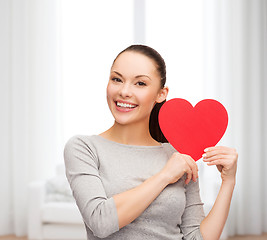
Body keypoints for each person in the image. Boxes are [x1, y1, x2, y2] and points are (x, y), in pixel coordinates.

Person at [64, 44, 238, 240]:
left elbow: (196, 237)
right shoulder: (83, 148)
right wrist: (165, 175)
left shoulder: (178, 155)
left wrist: (228, 181)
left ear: (161, 94)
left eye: (140, 83)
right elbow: (100, 222)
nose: (124, 91)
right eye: (117, 79)